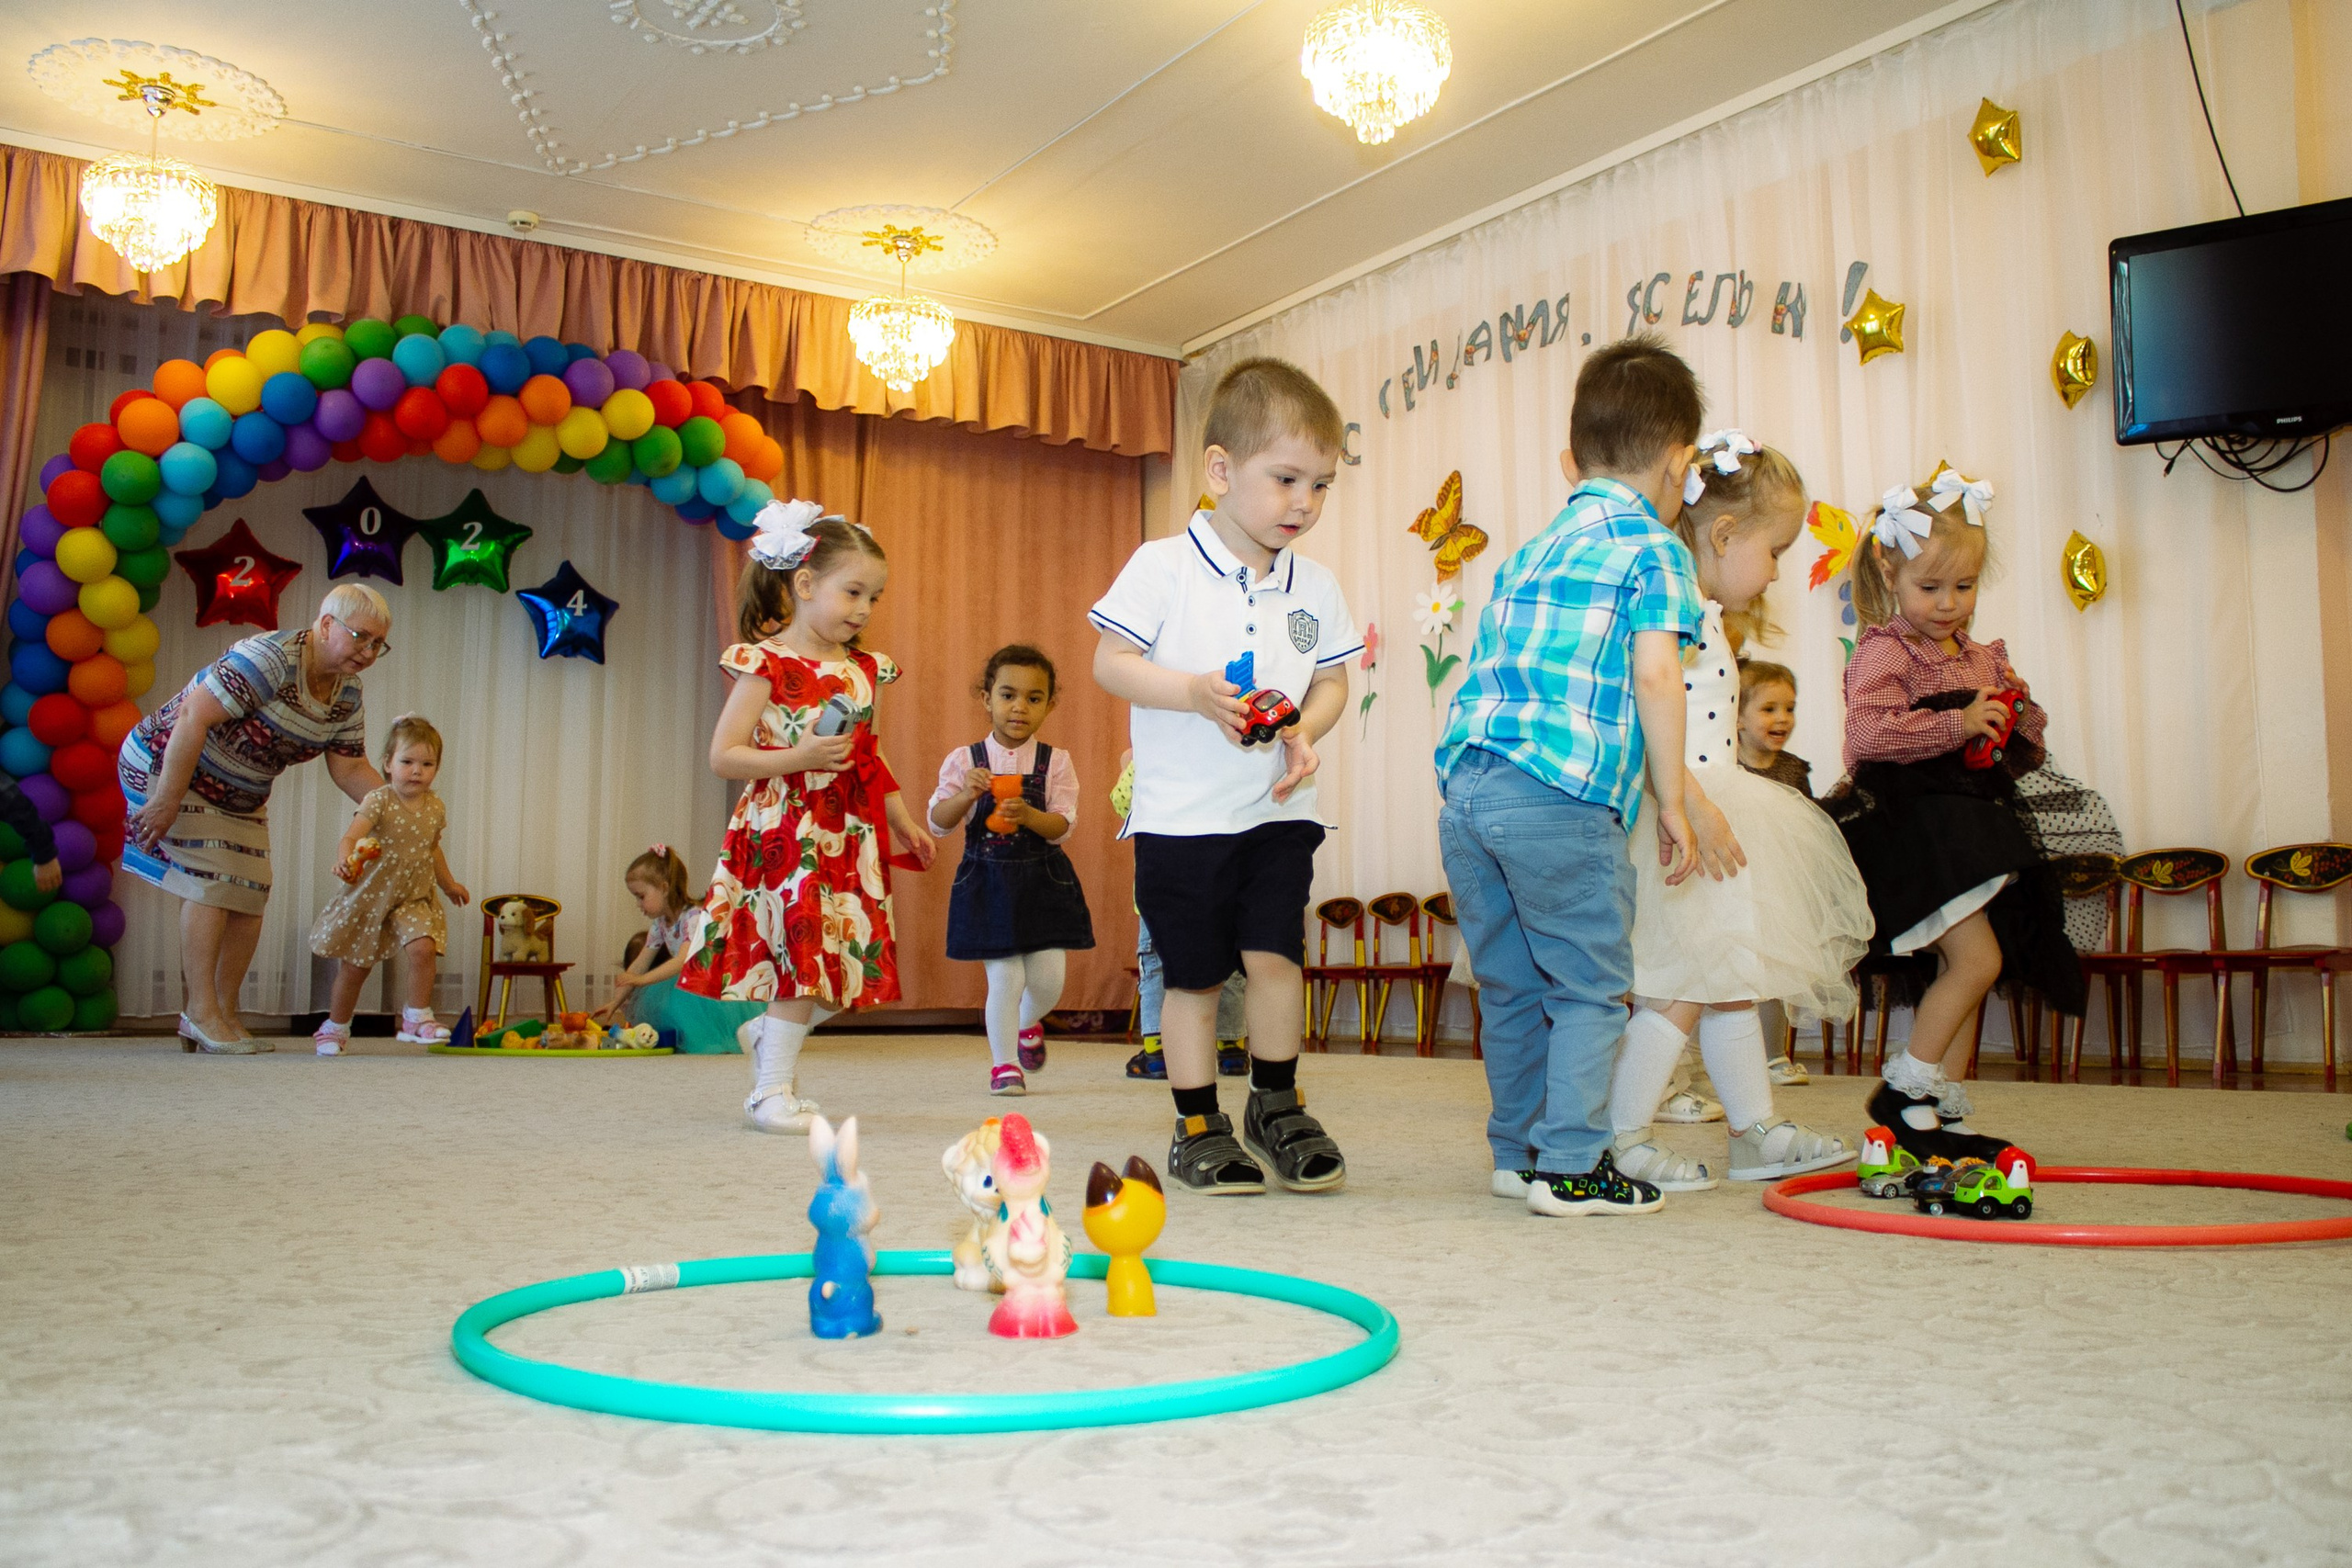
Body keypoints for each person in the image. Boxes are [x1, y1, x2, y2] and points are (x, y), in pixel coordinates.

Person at [1435, 333, 1728, 1219]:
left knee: (1514, 985)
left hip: (1467, 796)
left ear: (1576, 460)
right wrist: (1672, 799)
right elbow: (1654, 675)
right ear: (1681, 463)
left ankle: (1515, 1154)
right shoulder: (1656, 551)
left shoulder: (1528, 553)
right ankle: (1572, 1164)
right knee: (1593, 985)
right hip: (1558, 799)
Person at [1090, 357, 1361, 1195]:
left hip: (1278, 810)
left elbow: (1332, 680)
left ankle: (1275, 1105)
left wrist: (1305, 736)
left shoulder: (1317, 583)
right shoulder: (1162, 566)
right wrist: (1193, 694)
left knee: (1278, 958)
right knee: (1196, 974)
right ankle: (1198, 1121)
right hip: (1182, 818)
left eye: (1320, 484)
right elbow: (1110, 662)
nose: (1304, 503)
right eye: (1285, 479)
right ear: (1219, 471)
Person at [1601, 434, 1870, 1189]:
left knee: (1728, 982)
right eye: (1775, 549)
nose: (1779, 568)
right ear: (1724, 534)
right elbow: (1643, 714)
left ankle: (1755, 1130)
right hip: (1682, 815)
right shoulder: (1672, 608)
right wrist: (1687, 799)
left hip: (1712, 807)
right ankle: (1620, 1136)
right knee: (1679, 987)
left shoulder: (1703, 609)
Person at [1826, 467, 2085, 1163]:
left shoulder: (1977, 654)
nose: (1948, 604)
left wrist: (2013, 715)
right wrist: (1956, 722)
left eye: (1964, 587)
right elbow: (1866, 740)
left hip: (1976, 832)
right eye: (1930, 587)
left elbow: (2020, 754)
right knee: (1978, 958)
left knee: (1975, 969)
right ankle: (1901, 1093)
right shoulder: (1887, 649)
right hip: (1920, 836)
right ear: (1889, 571)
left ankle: (1936, 1103)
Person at [679, 499, 937, 1134]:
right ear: (803, 584)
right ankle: (769, 1093)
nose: (864, 609)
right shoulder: (765, 663)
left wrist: (901, 819)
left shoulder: (862, 670)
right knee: (801, 960)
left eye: (873, 597)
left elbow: (868, 757)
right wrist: (798, 754)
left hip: (845, 834)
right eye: (853, 591)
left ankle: (765, 1033)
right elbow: (723, 755)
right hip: (784, 832)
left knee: (839, 965)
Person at [119, 583, 390, 1054]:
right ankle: (199, 1014)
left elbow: (348, 766)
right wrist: (166, 799)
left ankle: (221, 1013)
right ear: (325, 625)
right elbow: (191, 717)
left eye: (377, 644)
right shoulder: (269, 658)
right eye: (360, 637)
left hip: (238, 795)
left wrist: (399, 809)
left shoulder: (347, 691)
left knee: (251, 890)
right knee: (213, 879)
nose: (368, 652)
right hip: (168, 768)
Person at [929, 645, 1096, 1096]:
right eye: (1007, 695)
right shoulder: (964, 760)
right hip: (987, 883)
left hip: (1043, 883)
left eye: (1034, 697)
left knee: (1047, 983)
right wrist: (966, 795)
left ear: (1049, 704)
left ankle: (1026, 1024)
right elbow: (938, 822)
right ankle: (1005, 1066)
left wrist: (1029, 816)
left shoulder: (1055, 761)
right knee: (1006, 976)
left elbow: (1061, 826)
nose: (1019, 706)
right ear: (986, 699)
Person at [308, 714, 469, 1055]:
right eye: (407, 762)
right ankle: (335, 1027)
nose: (416, 771)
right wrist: (344, 860)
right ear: (387, 764)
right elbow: (352, 837)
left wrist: (449, 883)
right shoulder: (379, 800)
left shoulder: (435, 808)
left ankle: (417, 1016)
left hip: (412, 896)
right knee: (355, 968)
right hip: (371, 897)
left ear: (436, 769)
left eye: (427, 764)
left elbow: (432, 848)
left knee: (424, 948)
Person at [1112, 749, 1247, 1082]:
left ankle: (1157, 1050)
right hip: (1221, 884)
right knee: (1228, 964)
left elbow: (1122, 802)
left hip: (1161, 889)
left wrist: (1131, 765)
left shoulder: (1151, 759)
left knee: (1156, 963)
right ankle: (1232, 1047)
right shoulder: (1221, 758)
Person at [1737, 657, 1820, 1088]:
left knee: (1776, 972)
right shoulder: (1725, 767)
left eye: (1789, 708)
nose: (1782, 718)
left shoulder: (1794, 771)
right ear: (1737, 716)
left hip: (1779, 888)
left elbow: (1809, 829)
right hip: (1734, 884)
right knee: (1730, 974)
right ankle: (1716, 1058)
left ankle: (1773, 1055)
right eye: (1769, 709)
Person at [599, 844, 763, 1053]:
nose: (638, 904)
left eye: (641, 896)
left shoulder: (693, 917)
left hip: (711, 979)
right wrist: (615, 1002)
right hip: (689, 981)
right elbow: (640, 964)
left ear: (664, 888)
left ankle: (735, 1035)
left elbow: (682, 960)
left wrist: (640, 980)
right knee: (669, 997)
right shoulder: (660, 924)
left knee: (684, 999)